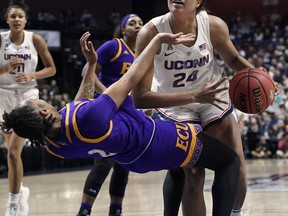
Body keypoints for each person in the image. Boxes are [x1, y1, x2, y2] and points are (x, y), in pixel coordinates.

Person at [1, 31, 241, 216]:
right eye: (40, 100)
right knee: (229, 161)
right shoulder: (91, 117)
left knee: (178, 171)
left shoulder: (51, 142)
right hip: (155, 141)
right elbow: (131, 78)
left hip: (132, 159)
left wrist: (91, 66)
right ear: (44, 111)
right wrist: (156, 41)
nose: (43, 99)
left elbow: (78, 103)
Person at [132, 1, 277, 215]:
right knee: (193, 173)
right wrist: (193, 96)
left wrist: (261, 79)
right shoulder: (150, 32)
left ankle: (236, 212)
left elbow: (234, 59)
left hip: (213, 97)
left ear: (198, 1)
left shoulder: (213, 26)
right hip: (175, 105)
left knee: (237, 166)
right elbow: (140, 97)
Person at [77, 14, 143, 216]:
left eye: (141, 23)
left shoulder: (142, 54)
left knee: (125, 164)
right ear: (123, 30)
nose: (138, 26)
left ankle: (116, 210)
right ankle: (84, 210)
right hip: (105, 109)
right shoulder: (113, 46)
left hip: (128, 111)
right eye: (132, 24)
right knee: (103, 161)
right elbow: (87, 73)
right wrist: (109, 95)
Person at [0, 1, 56, 216]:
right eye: (12, 16)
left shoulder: (36, 40)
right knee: (12, 155)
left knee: (14, 153)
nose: (16, 19)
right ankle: (20, 191)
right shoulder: (1, 40)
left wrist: (32, 75)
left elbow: (51, 69)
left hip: (27, 96)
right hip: (4, 96)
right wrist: (5, 68)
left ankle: (13, 203)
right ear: (7, 19)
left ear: (25, 20)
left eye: (20, 16)